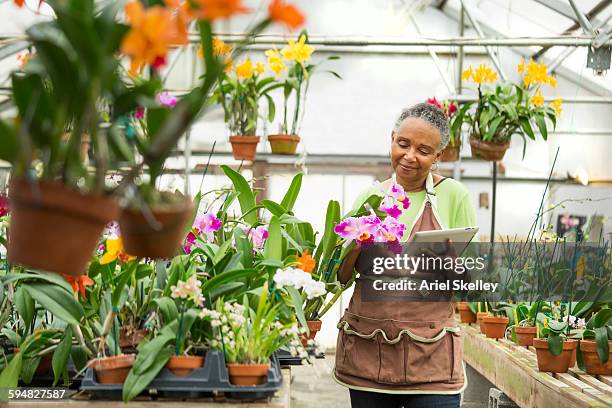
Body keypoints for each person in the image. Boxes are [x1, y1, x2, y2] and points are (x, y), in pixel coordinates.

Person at [333, 103, 478, 408]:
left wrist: (450, 261)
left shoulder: (454, 196)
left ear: (438, 157)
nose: (410, 156)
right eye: (403, 144)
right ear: (392, 139)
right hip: (369, 351)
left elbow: (468, 285)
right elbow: (341, 277)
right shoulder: (370, 198)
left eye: (424, 150)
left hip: (432, 356)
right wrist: (357, 243)